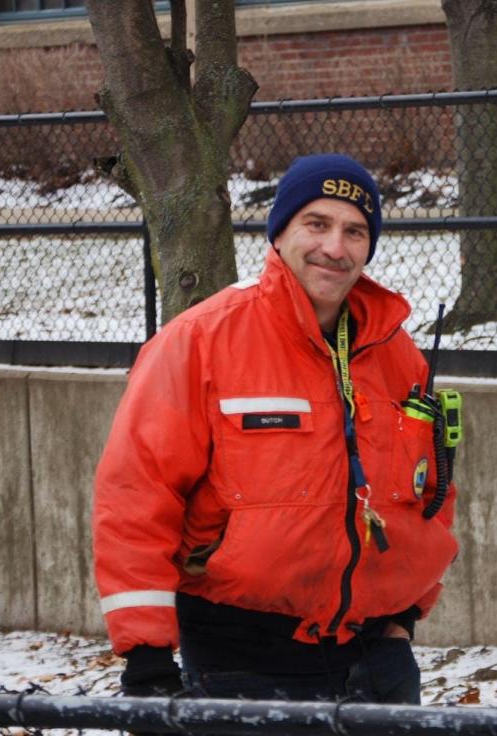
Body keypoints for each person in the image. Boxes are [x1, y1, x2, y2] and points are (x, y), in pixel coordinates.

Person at [93, 153, 459, 704]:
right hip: (240, 662)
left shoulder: (396, 353)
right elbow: (136, 498)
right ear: (280, 231)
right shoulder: (201, 340)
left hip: (377, 661)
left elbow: (431, 491)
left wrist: (405, 615)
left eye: (355, 231)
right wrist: (147, 661)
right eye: (317, 224)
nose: (336, 248)